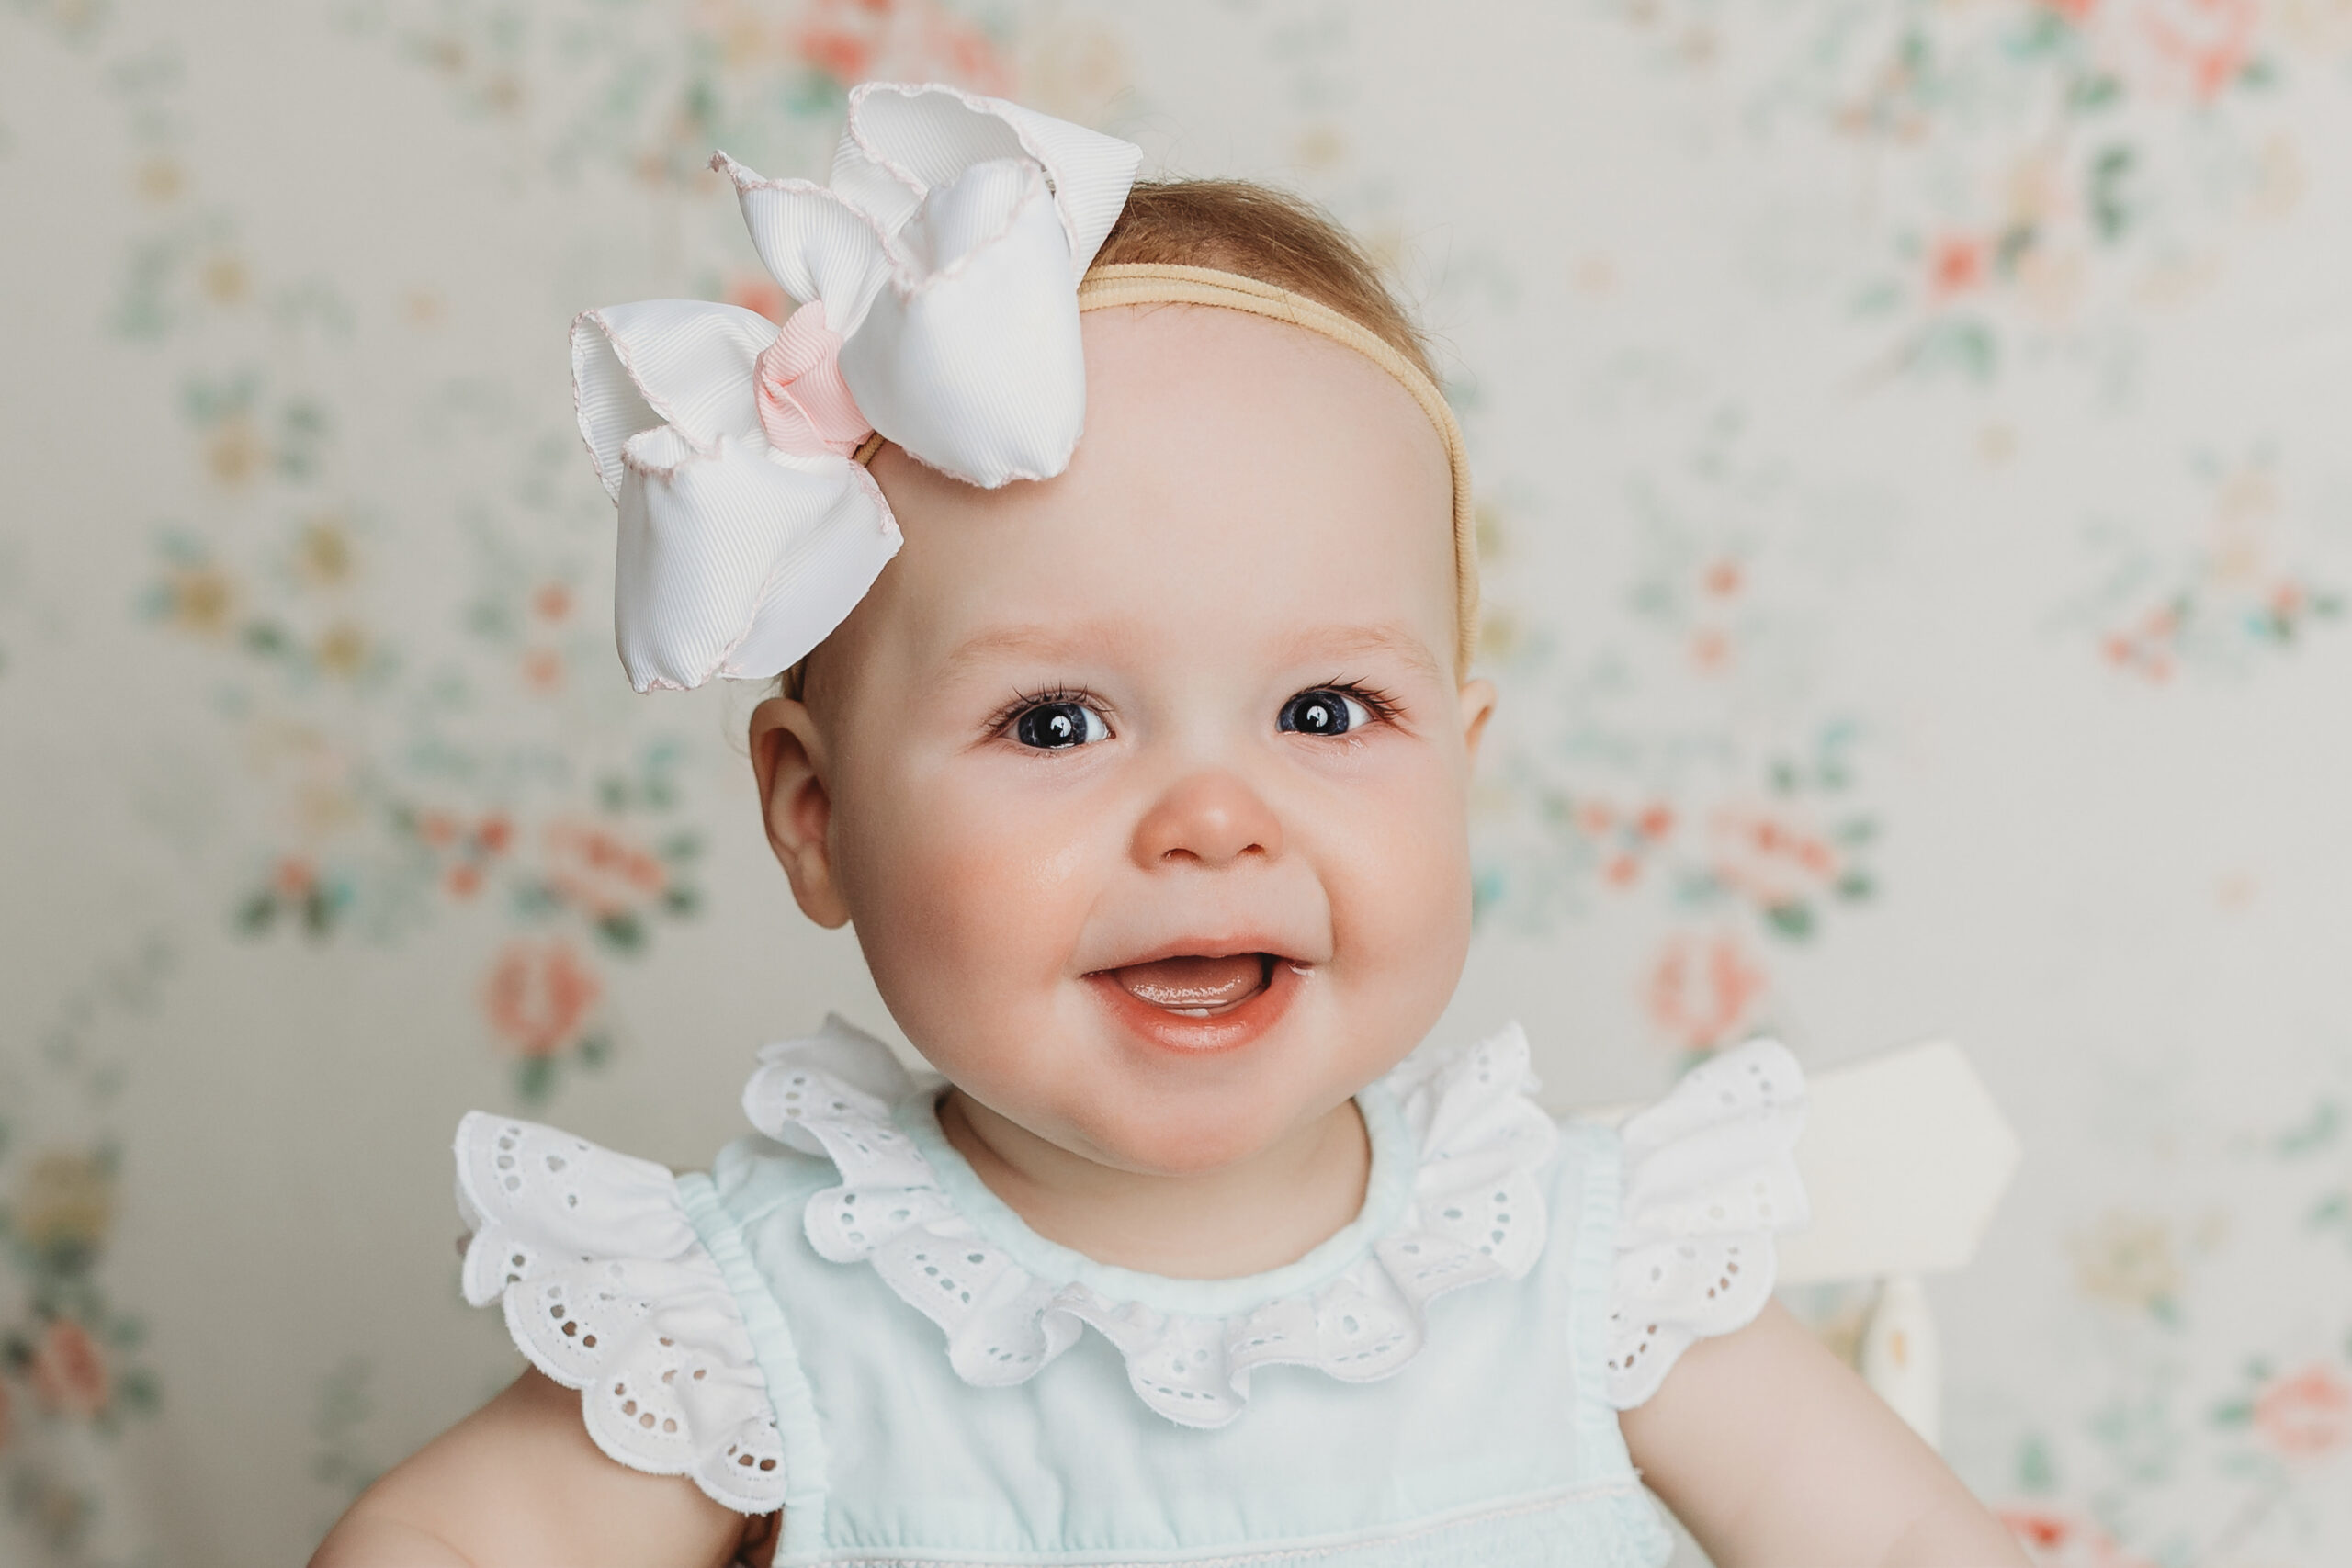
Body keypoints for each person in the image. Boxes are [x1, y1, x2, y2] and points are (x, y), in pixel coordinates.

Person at [312, 82, 2028, 1568]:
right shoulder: (777, 1314)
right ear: (816, 818)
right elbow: (449, 1536)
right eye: (1057, 721)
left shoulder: (1570, 1266)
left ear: (1462, 760)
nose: (1214, 818)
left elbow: (1891, 1536)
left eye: (1326, 713)